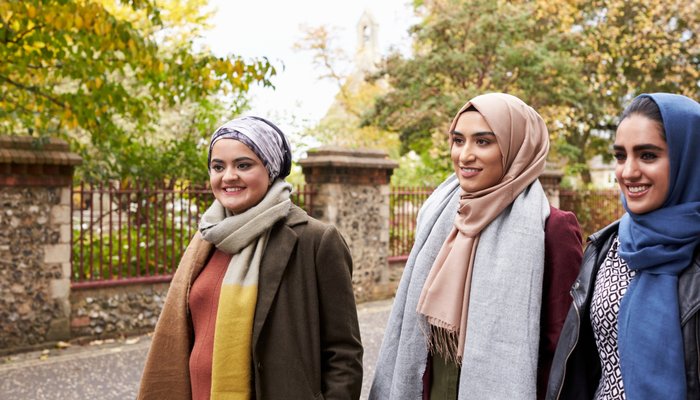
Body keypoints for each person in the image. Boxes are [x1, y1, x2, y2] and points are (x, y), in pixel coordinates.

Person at [369, 92, 583, 400]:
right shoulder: (438, 215)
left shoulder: (552, 227)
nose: (465, 155)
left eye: (483, 141)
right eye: (458, 140)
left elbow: (561, 346)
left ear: (516, 148)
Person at [138, 116, 363, 400]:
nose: (228, 176)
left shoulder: (315, 241)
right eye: (218, 166)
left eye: (243, 165)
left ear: (270, 169)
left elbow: (344, 353)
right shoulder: (206, 239)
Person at [547, 93, 700, 400]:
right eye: (620, 156)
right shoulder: (606, 246)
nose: (628, 172)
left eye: (648, 155)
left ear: (689, 158)